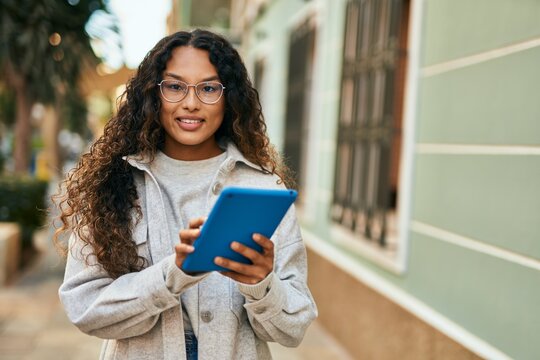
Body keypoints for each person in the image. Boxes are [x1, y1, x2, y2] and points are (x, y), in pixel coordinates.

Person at [53, 29, 317, 360]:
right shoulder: (110, 183)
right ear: (153, 93)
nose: (191, 103)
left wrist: (262, 284)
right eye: (175, 87)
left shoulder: (263, 190)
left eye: (208, 88)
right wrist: (172, 275)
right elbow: (84, 308)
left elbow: (293, 330)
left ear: (228, 97)